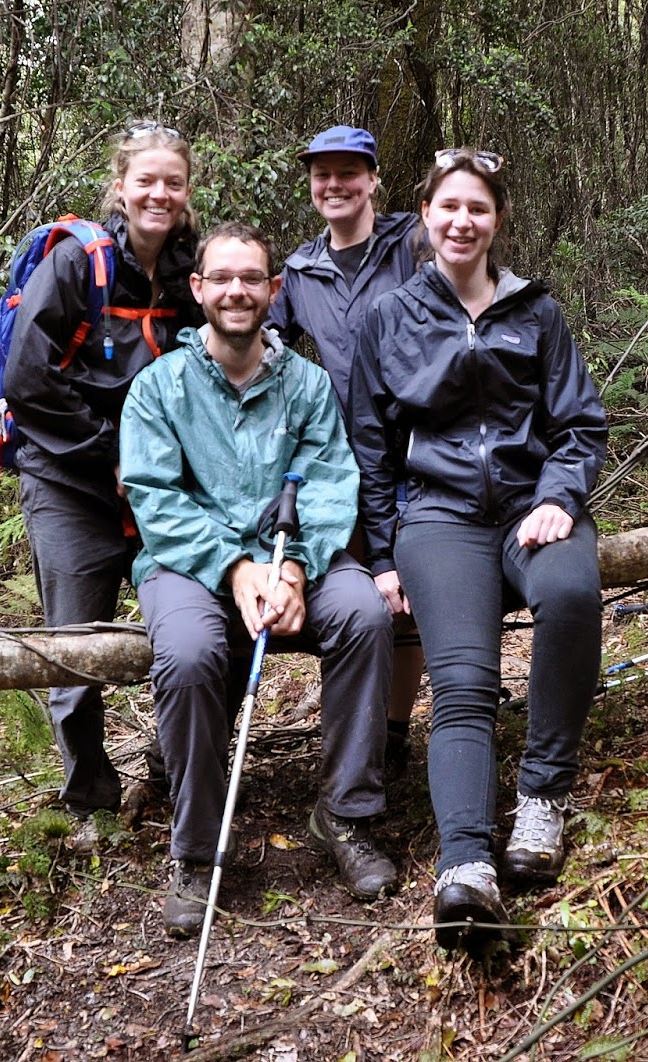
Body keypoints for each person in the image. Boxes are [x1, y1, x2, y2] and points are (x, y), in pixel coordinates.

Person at [347, 149, 607, 951]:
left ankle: (541, 799)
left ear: (498, 220)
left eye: (478, 208)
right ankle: (465, 868)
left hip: (534, 508)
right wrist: (383, 555)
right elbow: (371, 449)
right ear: (425, 214)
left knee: (571, 595)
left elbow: (579, 424)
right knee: (463, 682)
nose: (463, 221)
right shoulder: (388, 318)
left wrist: (559, 496)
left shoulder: (537, 312)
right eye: (449, 206)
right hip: (439, 518)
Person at [120, 221, 399, 938]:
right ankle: (197, 850)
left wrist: (297, 566)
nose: (237, 291)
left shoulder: (306, 385)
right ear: (198, 288)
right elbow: (154, 496)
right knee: (188, 654)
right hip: (190, 565)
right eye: (222, 278)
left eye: (251, 279)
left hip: (293, 558)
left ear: (274, 291)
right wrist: (235, 567)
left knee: (364, 614)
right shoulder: (159, 387)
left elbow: (332, 481)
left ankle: (344, 815)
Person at [2, 122, 203, 847]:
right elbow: (28, 378)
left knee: (193, 629)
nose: (159, 194)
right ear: (121, 187)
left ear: (186, 192)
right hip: (70, 479)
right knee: (75, 648)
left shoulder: (190, 269)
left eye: (172, 183)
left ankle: (178, 769)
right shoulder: (75, 263)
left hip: (160, 485)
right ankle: (90, 800)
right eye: (145, 181)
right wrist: (110, 454)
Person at [267, 125, 425, 780]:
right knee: (361, 590)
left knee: (408, 593)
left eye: (348, 173)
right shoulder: (302, 270)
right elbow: (266, 336)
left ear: (372, 179)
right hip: (344, 457)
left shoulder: (411, 243)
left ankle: (394, 731)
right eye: (322, 175)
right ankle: (356, 734)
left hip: (420, 443)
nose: (334, 185)